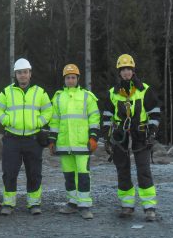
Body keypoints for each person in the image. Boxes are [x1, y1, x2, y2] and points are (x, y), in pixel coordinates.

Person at [101, 54, 160, 222]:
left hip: (141, 134)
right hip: (120, 135)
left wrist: (152, 133)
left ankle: (149, 207)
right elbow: (107, 115)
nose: (126, 72)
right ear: (119, 72)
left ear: (133, 71)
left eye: (129, 69)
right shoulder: (113, 93)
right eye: (123, 70)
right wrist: (106, 136)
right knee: (123, 170)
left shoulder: (144, 90)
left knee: (144, 170)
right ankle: (127, 205)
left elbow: (154, 113)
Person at [0, 58, 53, 215]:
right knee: (10, 172)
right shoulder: (7, 92)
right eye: (19, 73)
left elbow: (48, 111)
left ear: (30, 74)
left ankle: (34, 204)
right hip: (12, 139)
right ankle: (8, 204)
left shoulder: (40, 92)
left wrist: (38, 122)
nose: (22, 76)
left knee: (34, 172)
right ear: (15, 75)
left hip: (33, 139)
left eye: (25, 72)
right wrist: (8, 120)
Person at [48, 64, 100, 220]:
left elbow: (94, 118)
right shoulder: (58, 97)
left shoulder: (87, 96)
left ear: (78, 79)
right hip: (64, 144)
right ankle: (72, 202)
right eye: (68, 78)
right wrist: (52, 139)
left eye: (73, 77)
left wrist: (93, 137)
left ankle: (85, 205)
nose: (70, 80)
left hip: (82, 144)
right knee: (69, 175)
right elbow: (55, 120)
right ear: (64, 79)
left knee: (83, 175)